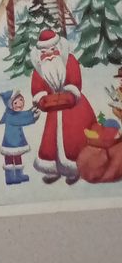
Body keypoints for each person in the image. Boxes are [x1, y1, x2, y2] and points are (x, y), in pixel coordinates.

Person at [30, 29, 98, 184]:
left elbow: (75, 82)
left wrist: (70, 94)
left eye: (52, 49)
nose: (49, 54)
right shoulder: (40, 68)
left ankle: (75, 169)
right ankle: (52, 168)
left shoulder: (69, 60)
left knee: (74, 138)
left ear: (59, 47)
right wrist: (41, 99)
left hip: (75, 109)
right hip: (53, 110)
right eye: (44, 51)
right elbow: (37, 88)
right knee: (51, 139)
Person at [0, 90, 40, 186]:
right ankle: (9, 177)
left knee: (18, 158)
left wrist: (32, 110)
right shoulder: (10, 116)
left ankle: (19, 175)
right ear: (10, 105)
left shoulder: (15, 113)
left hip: (17, 142)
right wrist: (33, 118)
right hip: (10, 143)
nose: (20, 104)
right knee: (9, 159)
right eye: (16, 102)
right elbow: (21, 120)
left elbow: (24, 114)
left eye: (21, 100)